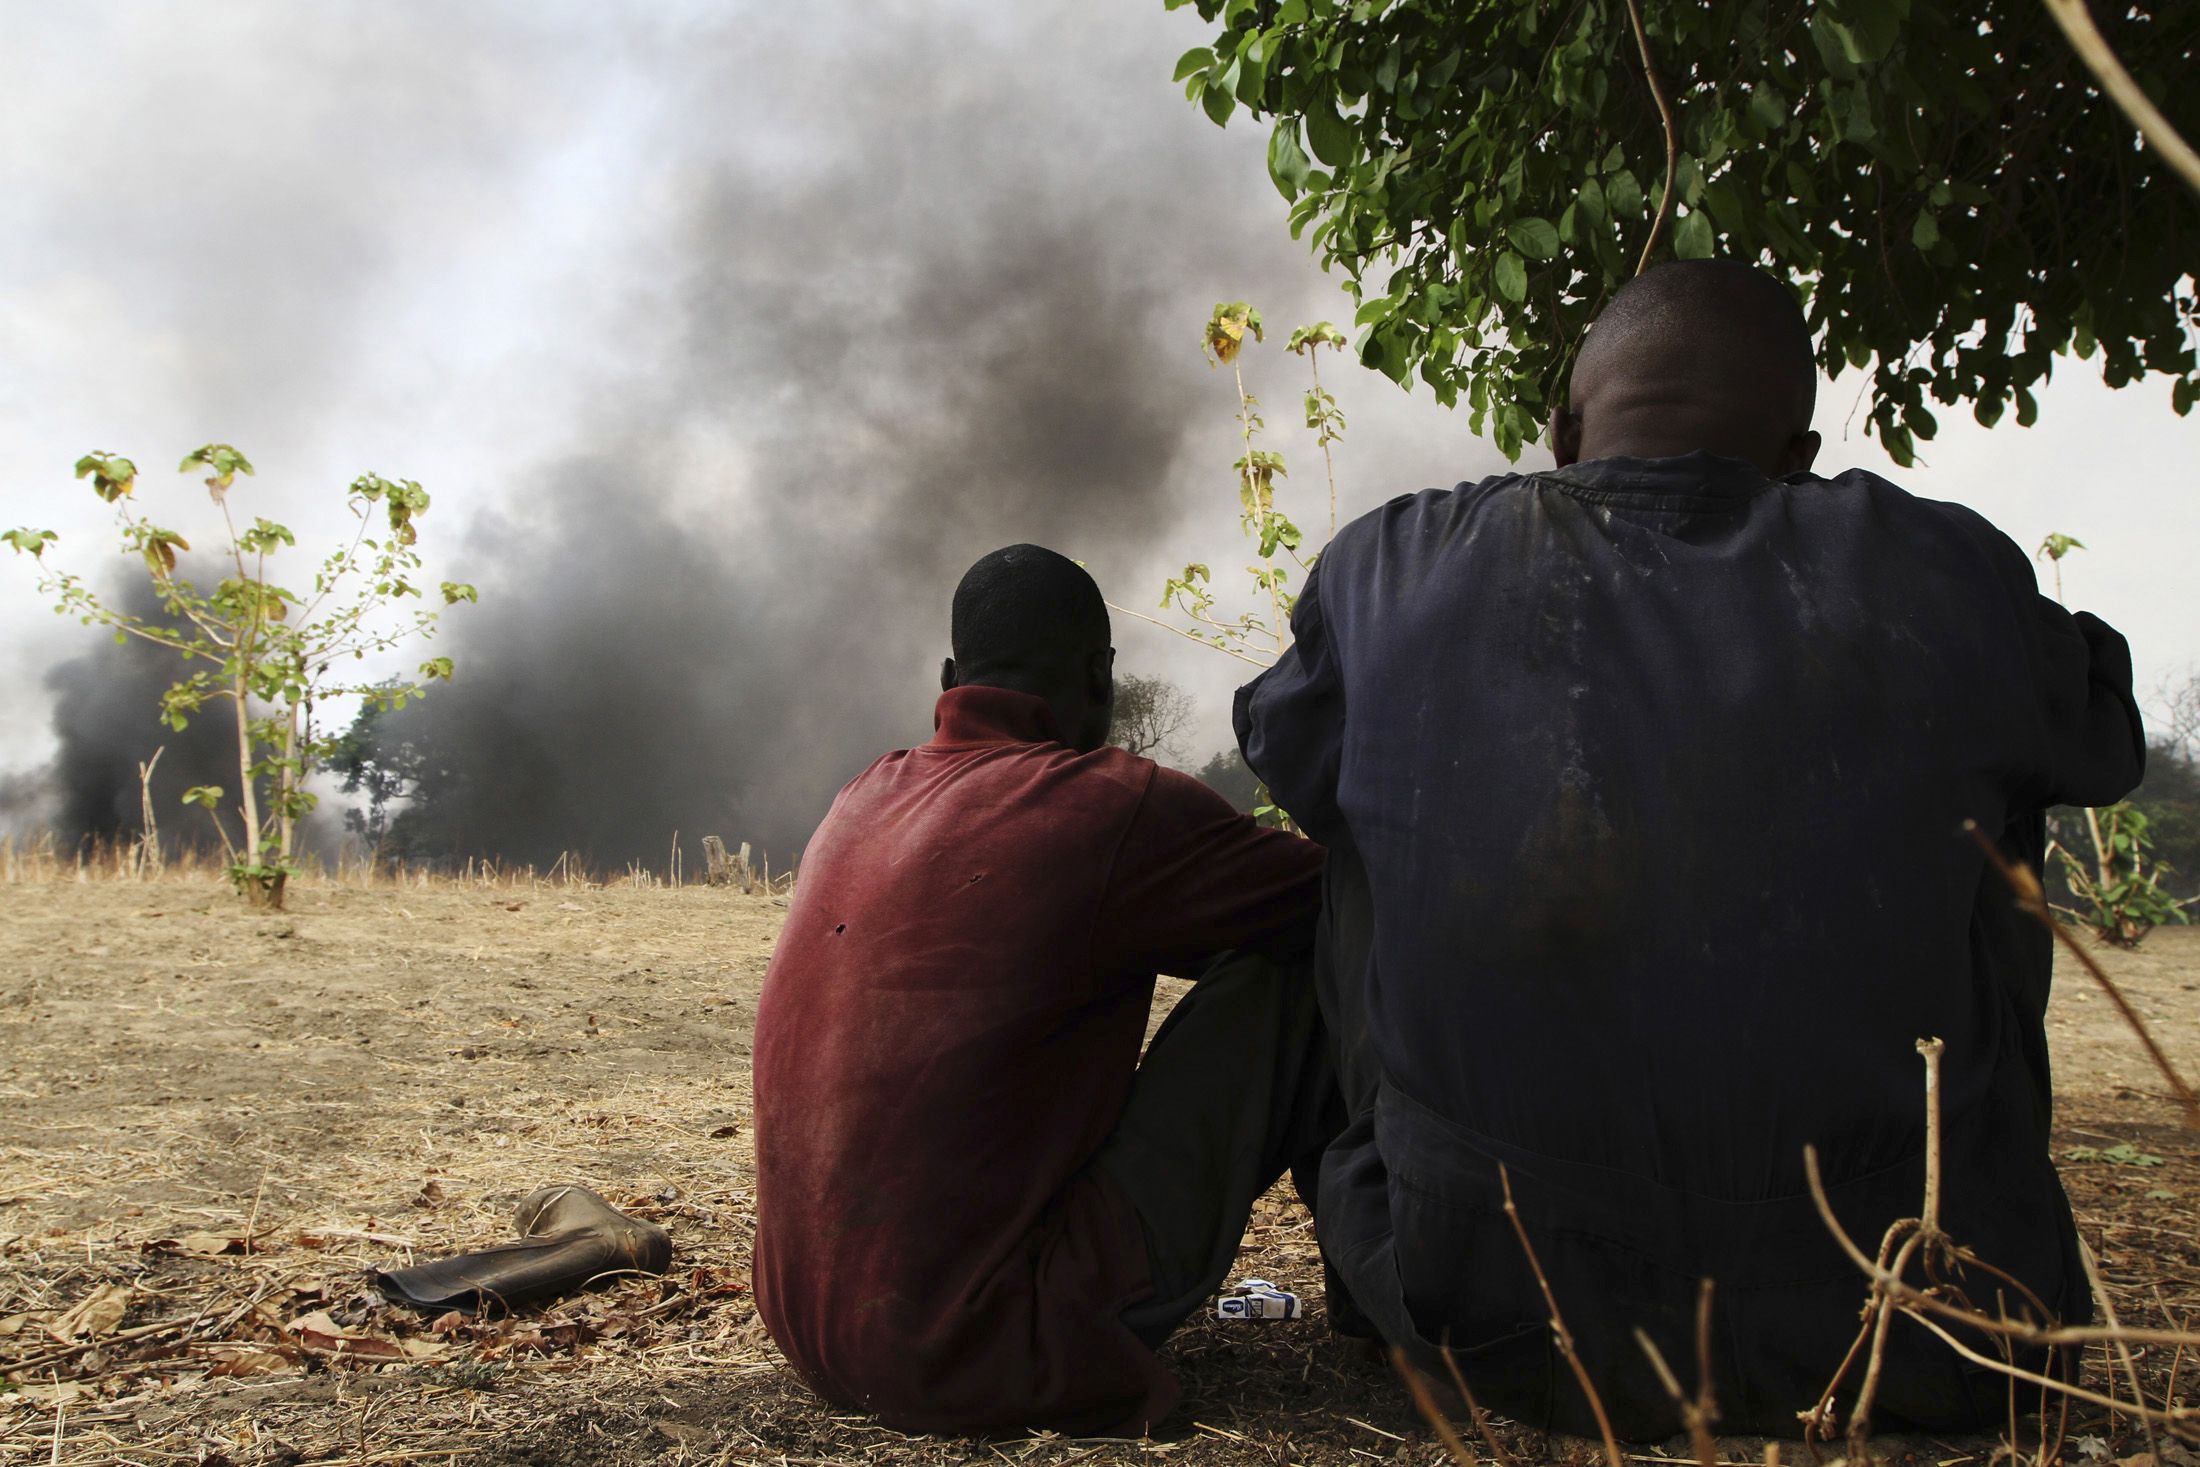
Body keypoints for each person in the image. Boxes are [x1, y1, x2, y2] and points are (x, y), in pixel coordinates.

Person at [1237, 261, 2146, 1437]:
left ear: (1560, 430)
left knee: (1349, 816)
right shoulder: (1942, 568)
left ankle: (1417, 1265)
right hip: (1916, 1325)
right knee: (1994, 794)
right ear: (1799, 452)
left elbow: (1282, 744)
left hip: (1489, 1318)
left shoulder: (1386, 565)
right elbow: (2104, 741)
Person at [752, 544, 1341, 1437]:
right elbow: (1345, 899)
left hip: (813, 1331)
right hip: (983, 1346)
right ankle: (1402, 1311)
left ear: (949, 679)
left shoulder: (859, 796)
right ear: (1102, 682)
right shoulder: (1111, 805)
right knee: (1299, 965)